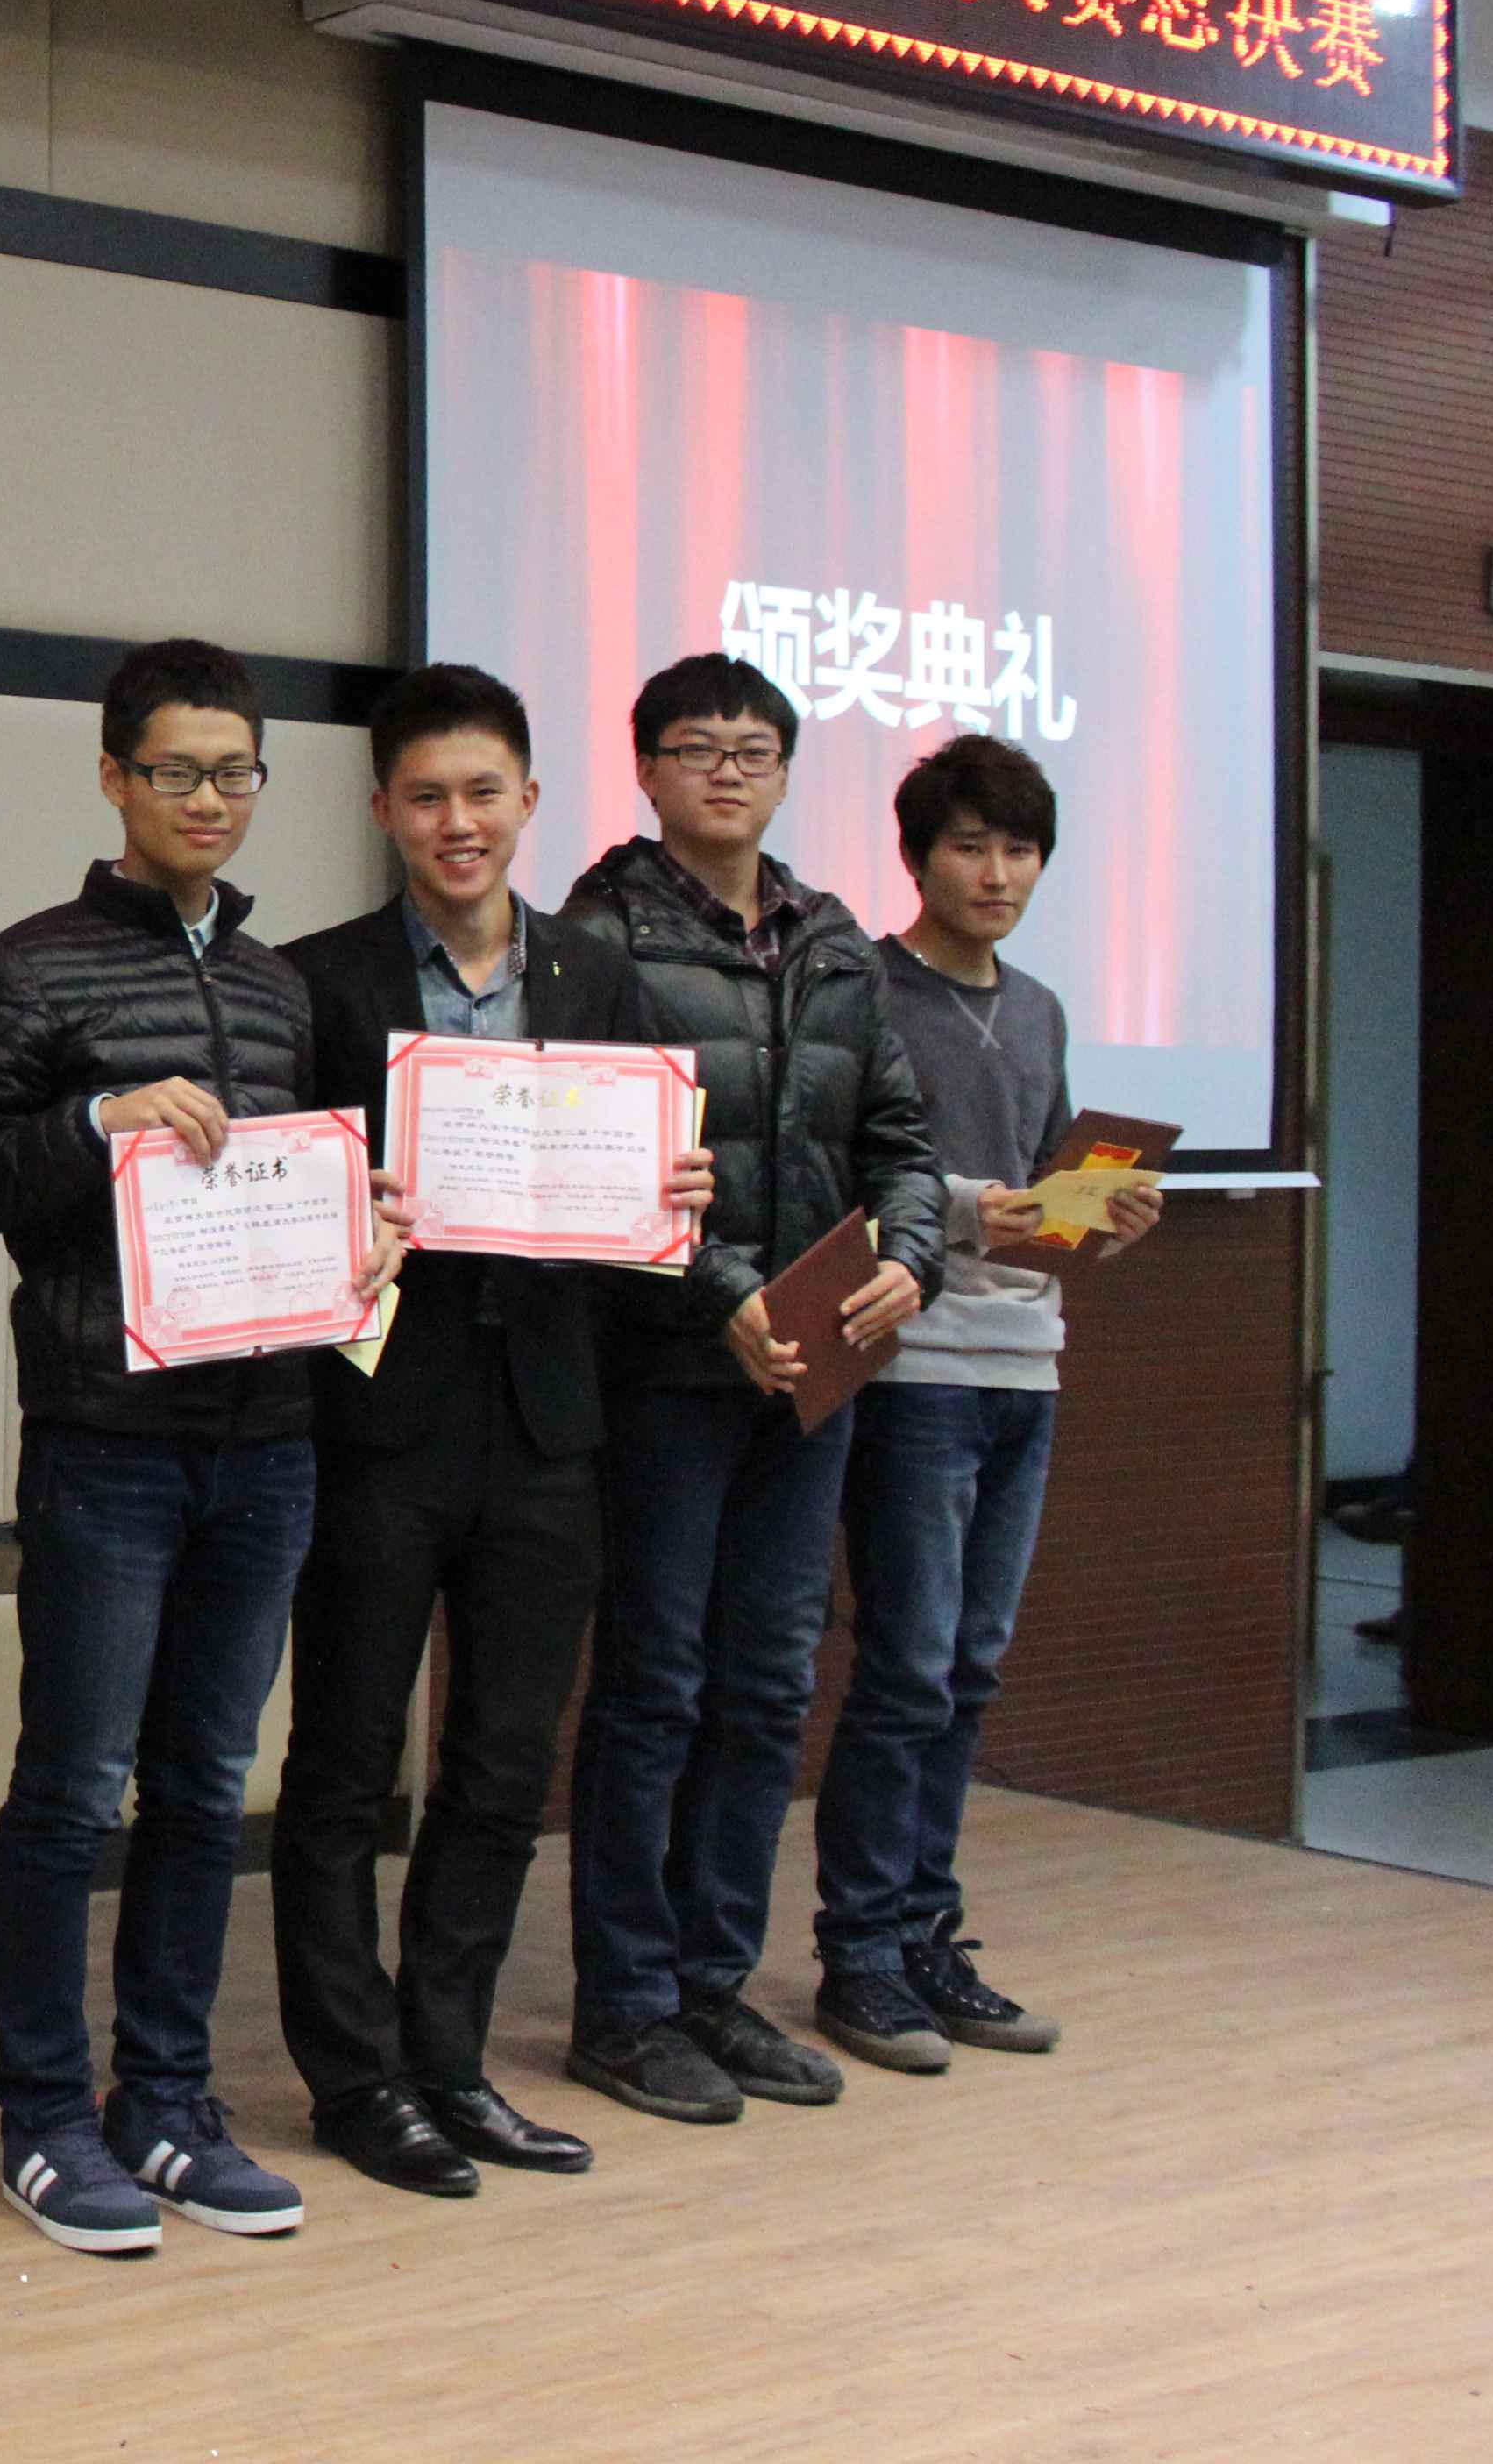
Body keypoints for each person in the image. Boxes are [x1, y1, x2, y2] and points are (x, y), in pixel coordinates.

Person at [0, 638, 400, 2259]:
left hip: (271, 1438)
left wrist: (367, 1228)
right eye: (177, 771)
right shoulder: (29, 970)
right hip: (107, 1441)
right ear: (114, 777)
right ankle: (47, 2116)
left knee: (208, 1787)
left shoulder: (281, 990)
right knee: (72, 1790)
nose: (210, 800)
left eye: (236, 773)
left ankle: (170, 2102)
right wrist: (95, 1123)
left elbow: (305, 1180)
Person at [271, 664, 709, 2199]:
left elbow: (644, 1210)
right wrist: (343, 1212)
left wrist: (678, 1198)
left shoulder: (600, 979)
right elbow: (277, 1207)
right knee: (344, 1764)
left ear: (529, 800)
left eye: (483, 793)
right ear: (383, 809)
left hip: (550, 1425)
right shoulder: (318, 985)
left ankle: (450, 2061)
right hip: (378, 1422)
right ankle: (354, 2079)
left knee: (506, 1764)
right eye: (426, 797)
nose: (458, 822)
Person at [556, 653, 944, 2127]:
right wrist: (723, 1294)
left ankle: (714, 1980)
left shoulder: (834, 936)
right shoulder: (597, 934)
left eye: (754, 750)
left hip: (815, 1366)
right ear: (646, 770)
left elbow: (899, 1137)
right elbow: (596, 1154)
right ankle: (626, 2003)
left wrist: (912, 1256)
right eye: (696, 748)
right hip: (668, 1363)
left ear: (784, 772)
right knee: (656, 1682)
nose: (727, 771)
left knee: (772, 1680)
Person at [809, 733, 1160, 2074]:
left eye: (1020, 849)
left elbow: (1042, 1199)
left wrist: (1097, 1218)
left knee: (969, 1669)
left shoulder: (1044, 1009)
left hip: (1028, 1362)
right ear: (917, 856)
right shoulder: (862, 990)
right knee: (906, 1666)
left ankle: (927, 1936)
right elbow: (841, 1175)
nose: (997, 873)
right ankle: (862, 1955)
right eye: (970, 846)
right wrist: (970, 1212)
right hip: (912, 1366)